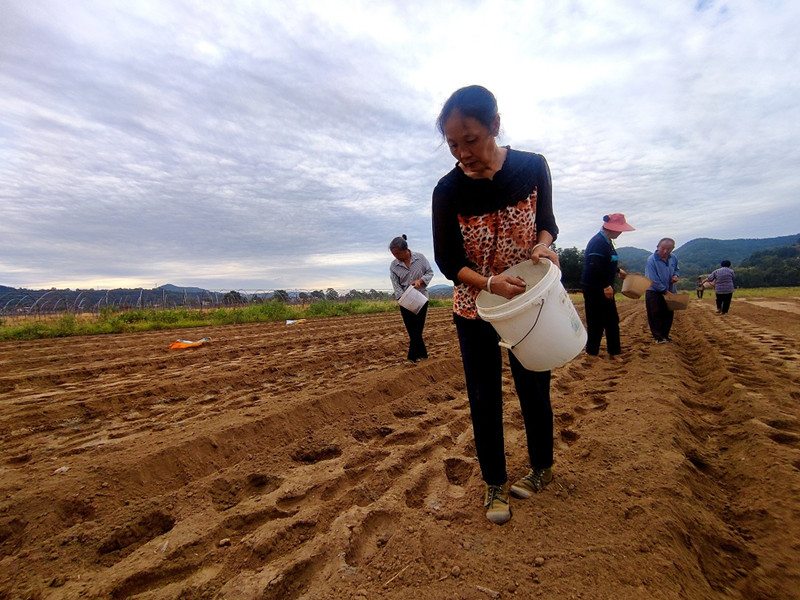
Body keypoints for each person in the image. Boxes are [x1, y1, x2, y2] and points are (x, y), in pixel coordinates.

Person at [431, 85, 560, 525]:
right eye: (452, 144)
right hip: (475, 309)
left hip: (526, 301)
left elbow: (547, 226)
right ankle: (494, 484)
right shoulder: (447, 192)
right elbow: (449, 261)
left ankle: (542, 468)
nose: (462, 152)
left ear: (495, 126)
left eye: (470, 139)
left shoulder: (532, 167)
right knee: (484, 396)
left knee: (533, 386)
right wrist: (488, 283)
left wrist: (543, 248)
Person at [580, 213, 635, 360]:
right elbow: (595, 264)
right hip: (595, 287)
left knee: (611, 319)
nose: (621, 232)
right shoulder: (598, 242)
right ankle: (592, 353)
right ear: (613, 228)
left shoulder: (607, 241)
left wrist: (617, 270)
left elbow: (605, 261)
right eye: (620, 229)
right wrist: (605, 285)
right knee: (596, 320)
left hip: (602, 285)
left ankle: (613, 352)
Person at [389, 234, 434, 362]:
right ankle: (422, 355)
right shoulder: (394, 266)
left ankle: (412, 357)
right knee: (412, 330)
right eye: (394, 254)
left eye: (398, 253)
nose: (396, 257)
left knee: (417, 329)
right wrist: (402, 298)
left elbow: (430, 272)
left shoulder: (420, 258)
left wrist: (420, 281)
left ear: (406, 249)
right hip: (405, 300)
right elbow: (395, 284)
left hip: (421, 298)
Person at [644, 238, 680, 343]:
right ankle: (658, 337)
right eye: (663, 248)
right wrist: (665, 291)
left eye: (668, 249)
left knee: (668, 313)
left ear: (672, 249)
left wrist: (675, 276)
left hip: (670, 289)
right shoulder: (651, 260)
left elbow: (677, 270)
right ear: (657, 247)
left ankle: (665, 335)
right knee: (655, 314)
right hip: (654, 291)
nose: (665, 251)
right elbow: (652, 280)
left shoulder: (673, 258)